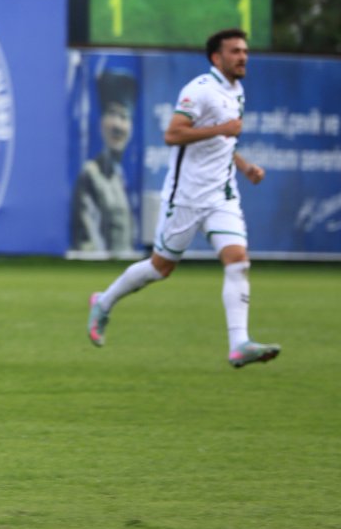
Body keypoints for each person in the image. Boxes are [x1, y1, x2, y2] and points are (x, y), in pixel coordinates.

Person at [86, 29, 280, 369]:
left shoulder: (236, 91)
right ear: (216, 57)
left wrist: (245, 167)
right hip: (186, 197)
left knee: (238, 260)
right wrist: (222, 129)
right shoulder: (199, 90)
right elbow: (173, 134)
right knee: (160, 268)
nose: (243, 57)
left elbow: (223, 143)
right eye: (235, 51)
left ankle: (239, 344)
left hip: (222, 196)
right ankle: (104, 301)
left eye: (245, 51)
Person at [71, 68, 137, 255]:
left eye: (124, 117)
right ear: (100, 121)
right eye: (112, 114)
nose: (118, 125)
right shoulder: (91, 174)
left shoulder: (122, 178)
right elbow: (86, 242)